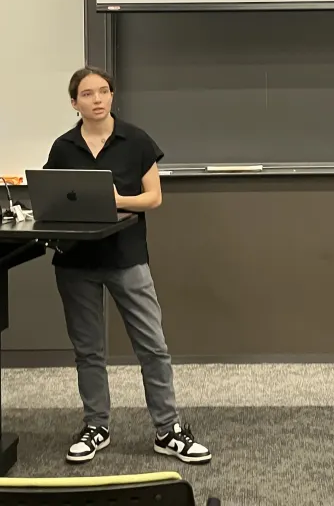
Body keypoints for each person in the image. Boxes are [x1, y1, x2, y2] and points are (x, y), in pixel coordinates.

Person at [43, 66, 211, 465]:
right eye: (87, 94)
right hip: (75, 261)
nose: (97, 99)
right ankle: (95, 427)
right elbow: (52, 198)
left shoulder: (135, 140)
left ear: (112, 96)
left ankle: (168, 430)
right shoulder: (63, 147)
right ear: (74, 102)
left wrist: (114, 199)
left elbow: (153, 197)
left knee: (152, 347)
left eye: (103, 91)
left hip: (126, 257)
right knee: (88, 351)